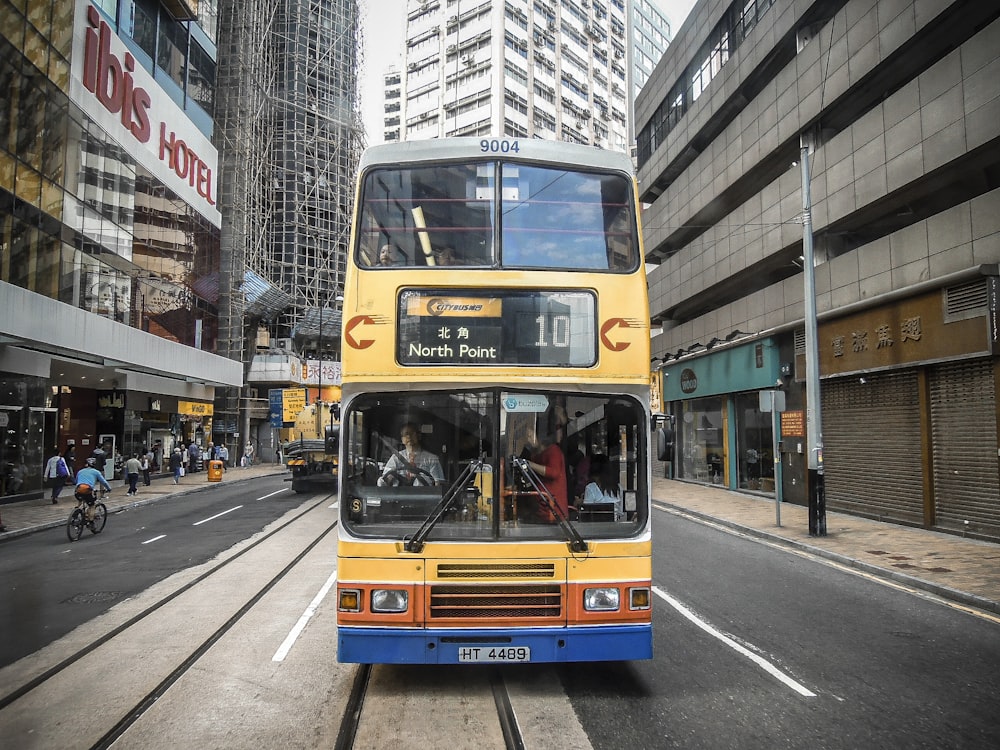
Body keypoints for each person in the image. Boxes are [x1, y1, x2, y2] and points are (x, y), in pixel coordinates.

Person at [521, 425, 568, 522]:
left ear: (540, 436)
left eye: (530, 435)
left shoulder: (553, 450)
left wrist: (529, 464)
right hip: (540, 508)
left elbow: (554, 473)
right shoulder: (535, 453)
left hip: (554, 510)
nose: (528, 439)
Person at [378, 422, 444, 486]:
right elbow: (386, 479)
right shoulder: (396, 458)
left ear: (419, 436)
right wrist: (385, 480)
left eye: (412, 433)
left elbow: (438, 484)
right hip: (399, 496)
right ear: (402, 439)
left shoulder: (431, 459)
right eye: (405, 434)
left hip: (423, 495)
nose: (409, 436)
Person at [578, 454, 623, 520]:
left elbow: (586, 513)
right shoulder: (619, 488)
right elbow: (620, 513)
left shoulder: (591, 488)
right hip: (615, 527)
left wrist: (579, 503)